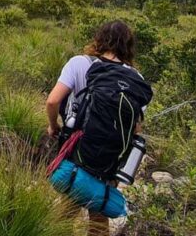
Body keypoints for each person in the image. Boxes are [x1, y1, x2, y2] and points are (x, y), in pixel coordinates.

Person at [45, 20, 151, 236]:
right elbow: (136, 128)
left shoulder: (79, 63)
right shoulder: (136, 80)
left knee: (70, 200)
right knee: (98, 210)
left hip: (77, 148)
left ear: (99, 40)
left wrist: (52, 125)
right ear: (128, 47)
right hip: (110, 157)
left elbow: (52, 101)